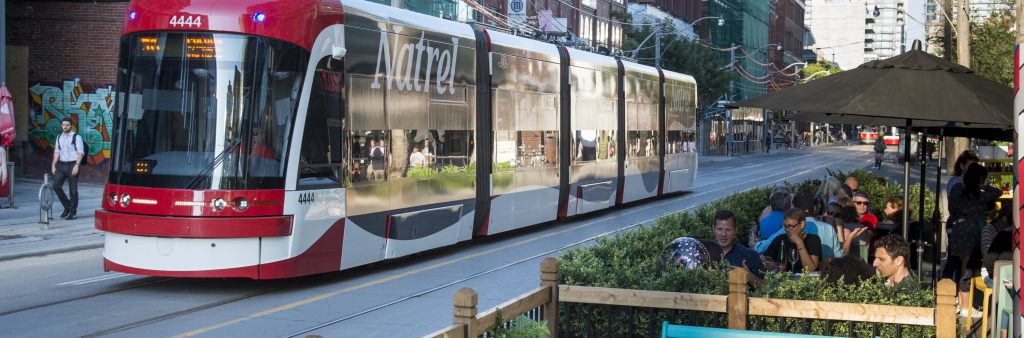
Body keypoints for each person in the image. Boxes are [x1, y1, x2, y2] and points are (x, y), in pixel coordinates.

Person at [945, 163, 1001, 296]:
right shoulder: (978, 195)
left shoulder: (957, 189)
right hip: (971, 231)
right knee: (967, 268)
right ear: (980, 178)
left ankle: (959, 299)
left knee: (959, 265)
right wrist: (984, 186)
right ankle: (965, 305)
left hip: (957, 228)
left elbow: (951, 208)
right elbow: (997, 192)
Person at [710, 210, 765, 281]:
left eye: (728, 230)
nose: (723, 234)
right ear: (713, 229)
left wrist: (749, 276)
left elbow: (764, 288)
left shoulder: (750, 256)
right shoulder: (703, 252)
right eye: (719, 229)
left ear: (735, 230)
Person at [763, 209, 822, 273]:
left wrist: (800, 243)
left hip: (806, 281)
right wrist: (774, 265)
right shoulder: (781, 239)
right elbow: (766, 259)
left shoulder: (813, 239)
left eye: (791, 226)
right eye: (785, 226)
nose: (787, 230)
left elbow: (811, 269)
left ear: (802, 224)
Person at [51, 118, 84, 220]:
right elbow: (57, 151)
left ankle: (73, 212)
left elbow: (80, 152)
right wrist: (53, 164)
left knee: (73, 190)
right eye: (64, 125)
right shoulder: (59, 137)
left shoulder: (76, 137)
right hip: (61, 165)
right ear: (61, 125)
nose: (65, 127)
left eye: (67, 125)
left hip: (72, 164)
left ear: (71, 126)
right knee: (56, 186)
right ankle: (67, 206)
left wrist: (77, 165)